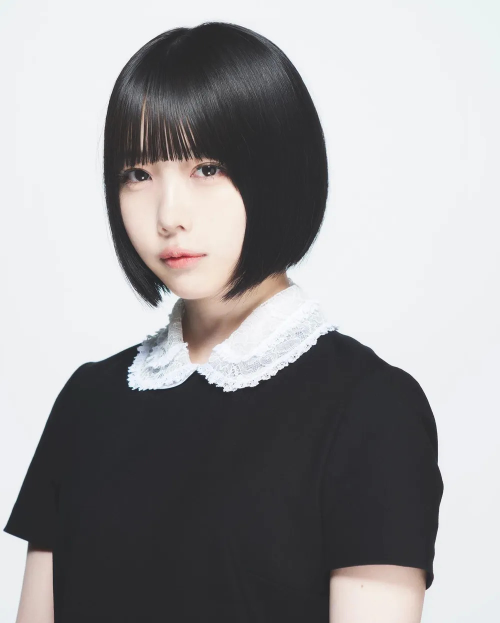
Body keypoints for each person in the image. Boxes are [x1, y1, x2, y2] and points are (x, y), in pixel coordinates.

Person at [4, 22, 444, 623]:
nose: (169, 215)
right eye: (138, 174)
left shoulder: (370, 408)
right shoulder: (88, 401)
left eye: (207, 168)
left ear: (280, 168)